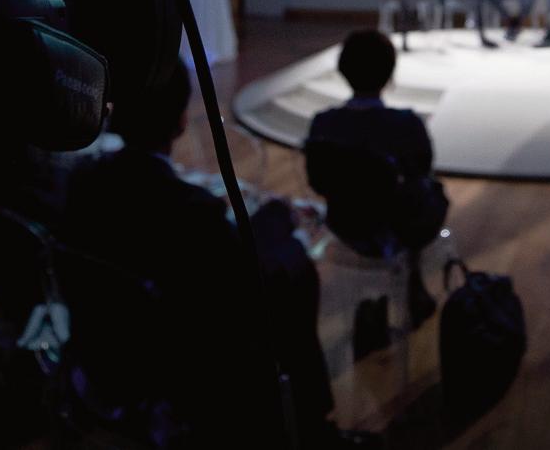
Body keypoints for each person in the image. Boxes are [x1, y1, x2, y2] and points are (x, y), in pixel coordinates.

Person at [63, 60, 376, 449]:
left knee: (273, 234)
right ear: (180, 122)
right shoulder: (190, 211)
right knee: (294, 269)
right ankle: (311, 427)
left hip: (107, 349)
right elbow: (243, 281)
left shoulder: (83, 184)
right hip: (189, 358)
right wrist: (292, 236)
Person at [305, 30, 448, 325]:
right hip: (397, 224)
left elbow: (317, 181)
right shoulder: (406, 125)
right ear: (389, 72)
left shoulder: (324, 123)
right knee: (428, 192)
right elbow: (422, 169)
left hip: (343, 220)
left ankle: (378, 294)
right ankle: (411, 281)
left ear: (343, 69)